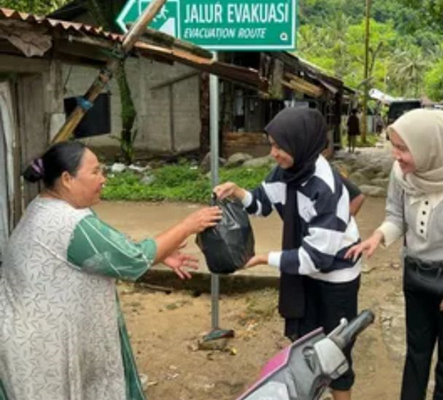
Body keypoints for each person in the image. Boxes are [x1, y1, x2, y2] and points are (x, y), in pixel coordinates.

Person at [0, 142, 222, 400]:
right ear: (67, 179)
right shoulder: (68, 221)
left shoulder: (44, 206)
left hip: (29, 335)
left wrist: (159, 255)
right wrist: (188, 225)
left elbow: (111, 250)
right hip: (41, 344)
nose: (103, 179)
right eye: (95, 172)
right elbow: (133, 258)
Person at [346, 109, 443, 400]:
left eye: (404, 148)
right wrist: (378, 236)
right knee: (416, 353)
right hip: (416, 277)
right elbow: (396, 215)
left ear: (431, 146)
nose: (396, 155)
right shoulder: (403, 173)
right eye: (394, 146)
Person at [214, 108, 361, 400]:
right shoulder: (286, 171)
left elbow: (316, 259)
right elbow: (262, 203)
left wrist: (264, 258)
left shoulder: (325, 186)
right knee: (306, 349)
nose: (273, 153)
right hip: (305, 271)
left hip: (335, 277)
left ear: (301, 144)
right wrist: (239, 193)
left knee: (334, 353)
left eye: (279, 146)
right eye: (271, 144)